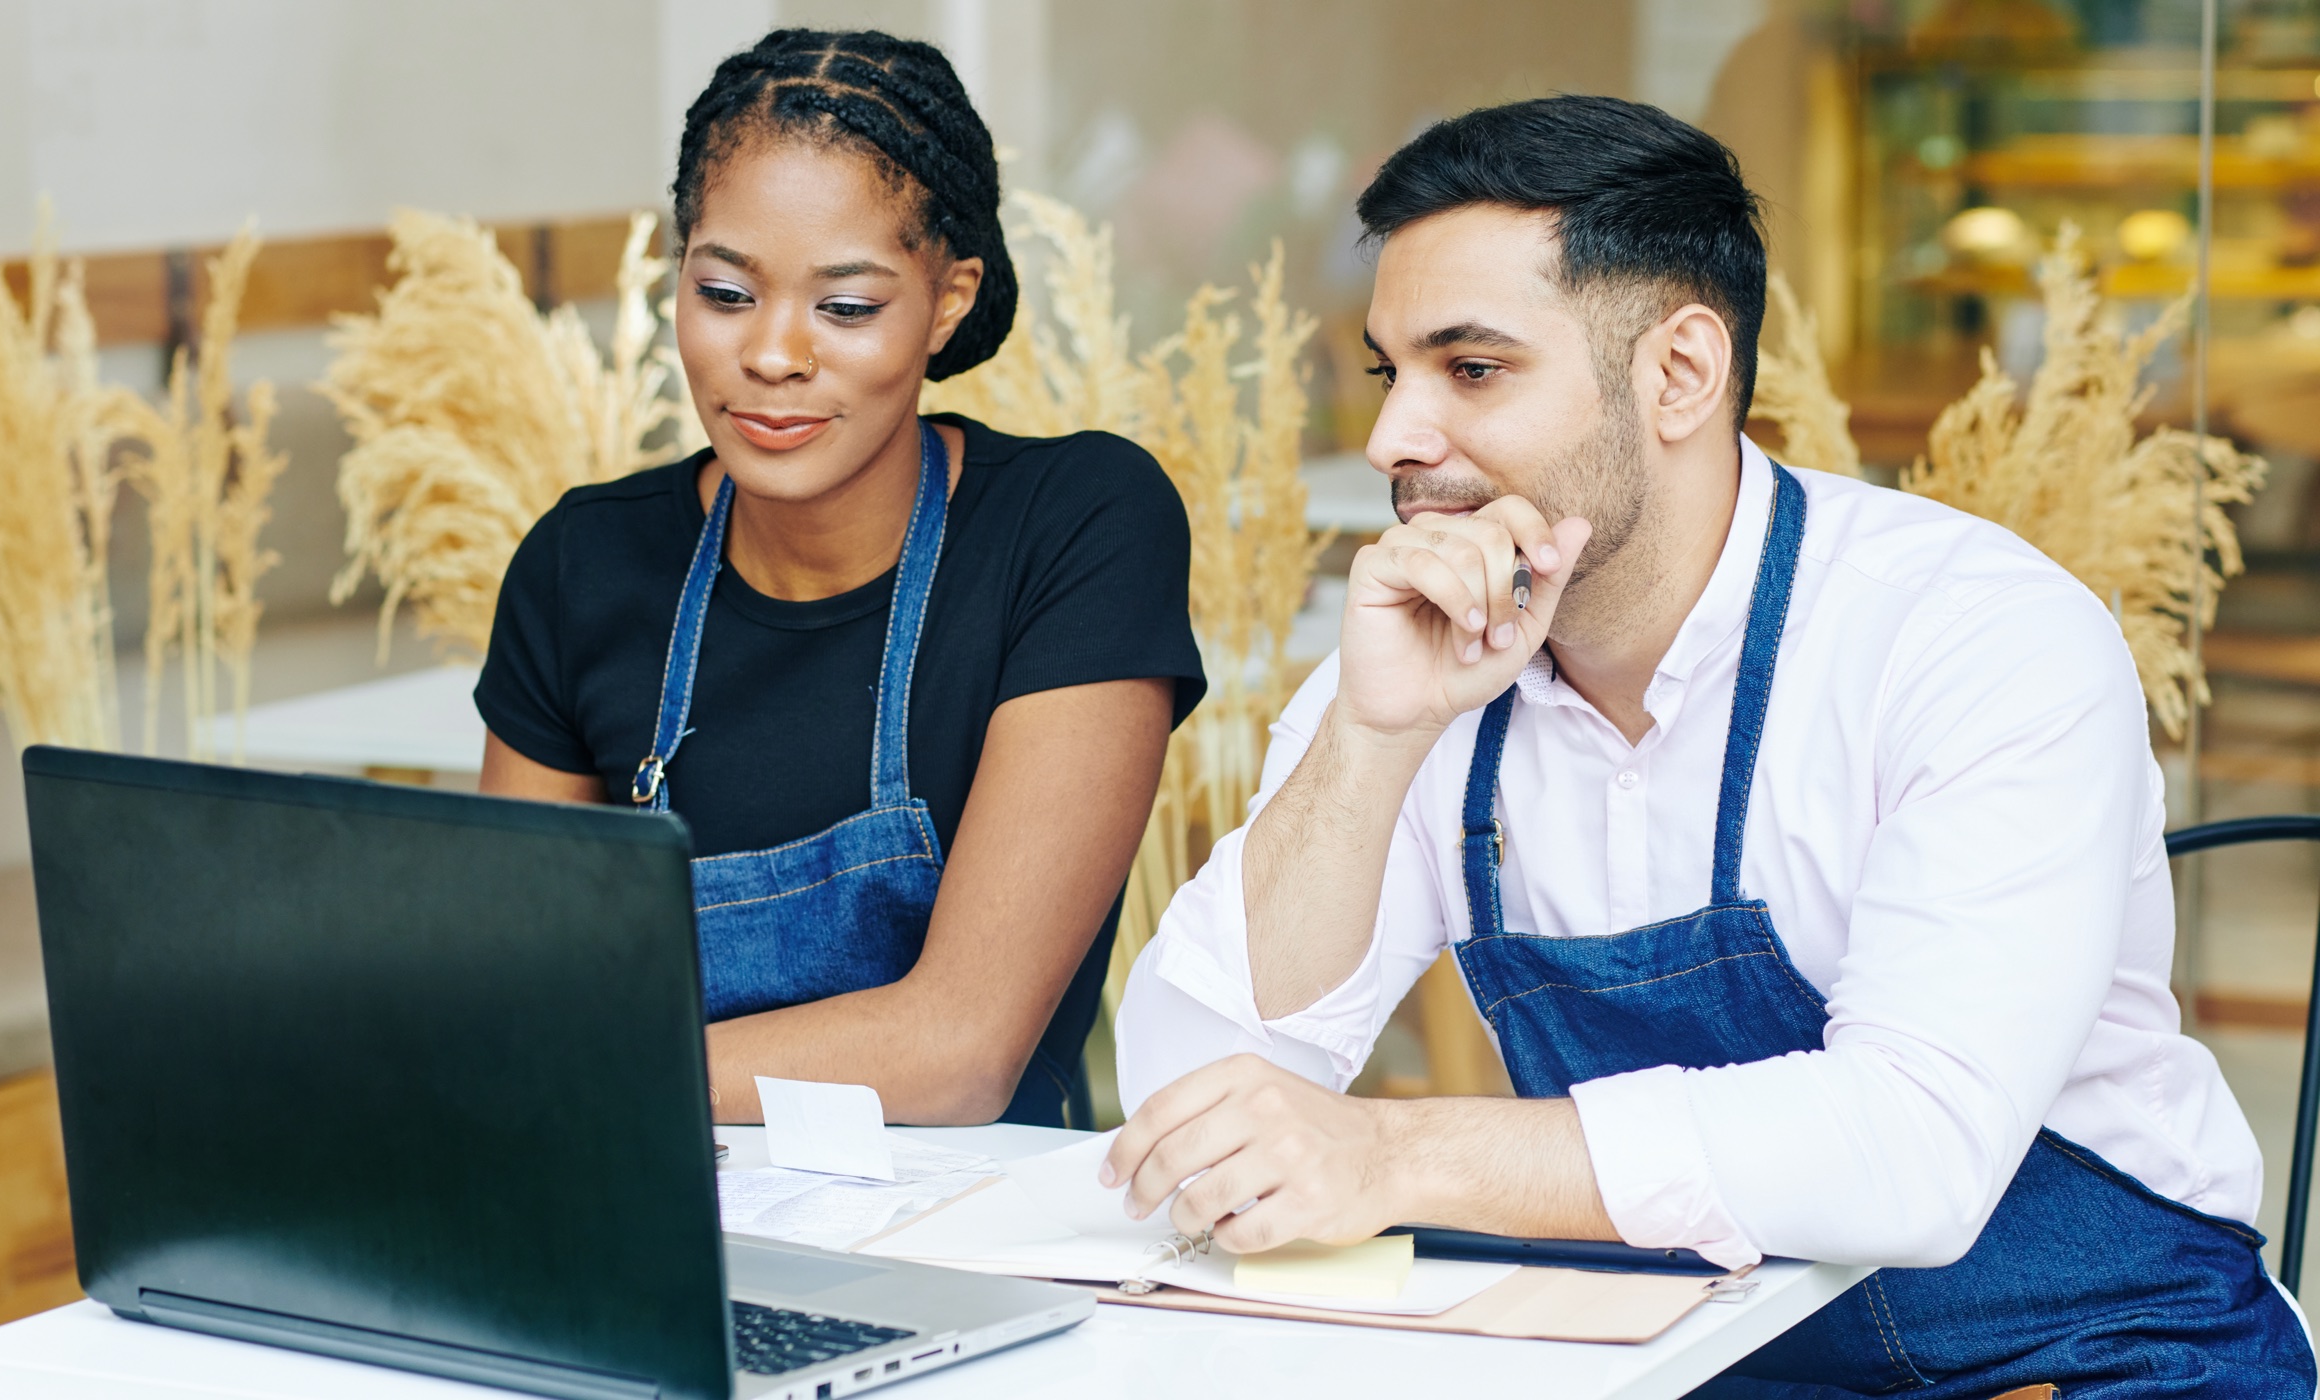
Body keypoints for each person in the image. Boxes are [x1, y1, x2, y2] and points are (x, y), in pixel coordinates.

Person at [1109, 95, 2315, 1394]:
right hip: (1685, 1362)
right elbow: (1196, 1112)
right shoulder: (1426, 657)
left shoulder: (1973, 636)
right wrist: (1368, 734)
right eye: (1386, 373)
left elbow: (1912, 1153)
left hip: (2092, 1350)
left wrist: (1395, 1156)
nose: (1394, 438)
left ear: (1680, 373)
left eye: (1471, 369)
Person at [475, 29, 1204, 1130]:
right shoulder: (585, 564)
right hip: (650, 1213)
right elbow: (514, 993)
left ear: (948, 299)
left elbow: (958, 1053)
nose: (772, 354)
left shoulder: (1076, 526)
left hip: (965, 1248)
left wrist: (578, 1063)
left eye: (846, 308)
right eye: (724, 293)